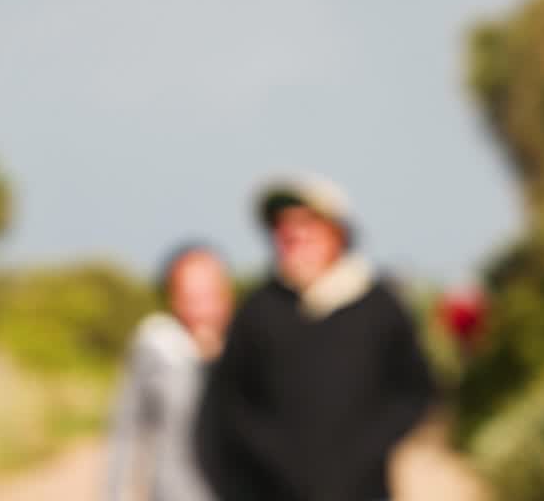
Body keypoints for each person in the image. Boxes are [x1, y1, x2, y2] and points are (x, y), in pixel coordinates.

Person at [196, 176, 435, 501]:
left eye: (307, 224)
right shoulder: (259, 309)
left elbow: (416, 392)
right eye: (283, 227)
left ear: (338, 232)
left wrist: (365, 449)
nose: (294, 235)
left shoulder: (378, 306)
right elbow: (226, 406)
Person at [108, 243, 234, 501]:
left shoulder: (250, 347)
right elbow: (126, 432)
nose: (200, 309)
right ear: (173, 299)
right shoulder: (156, 345)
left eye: (208, 295)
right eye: (190, 297)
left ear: (226, 296)